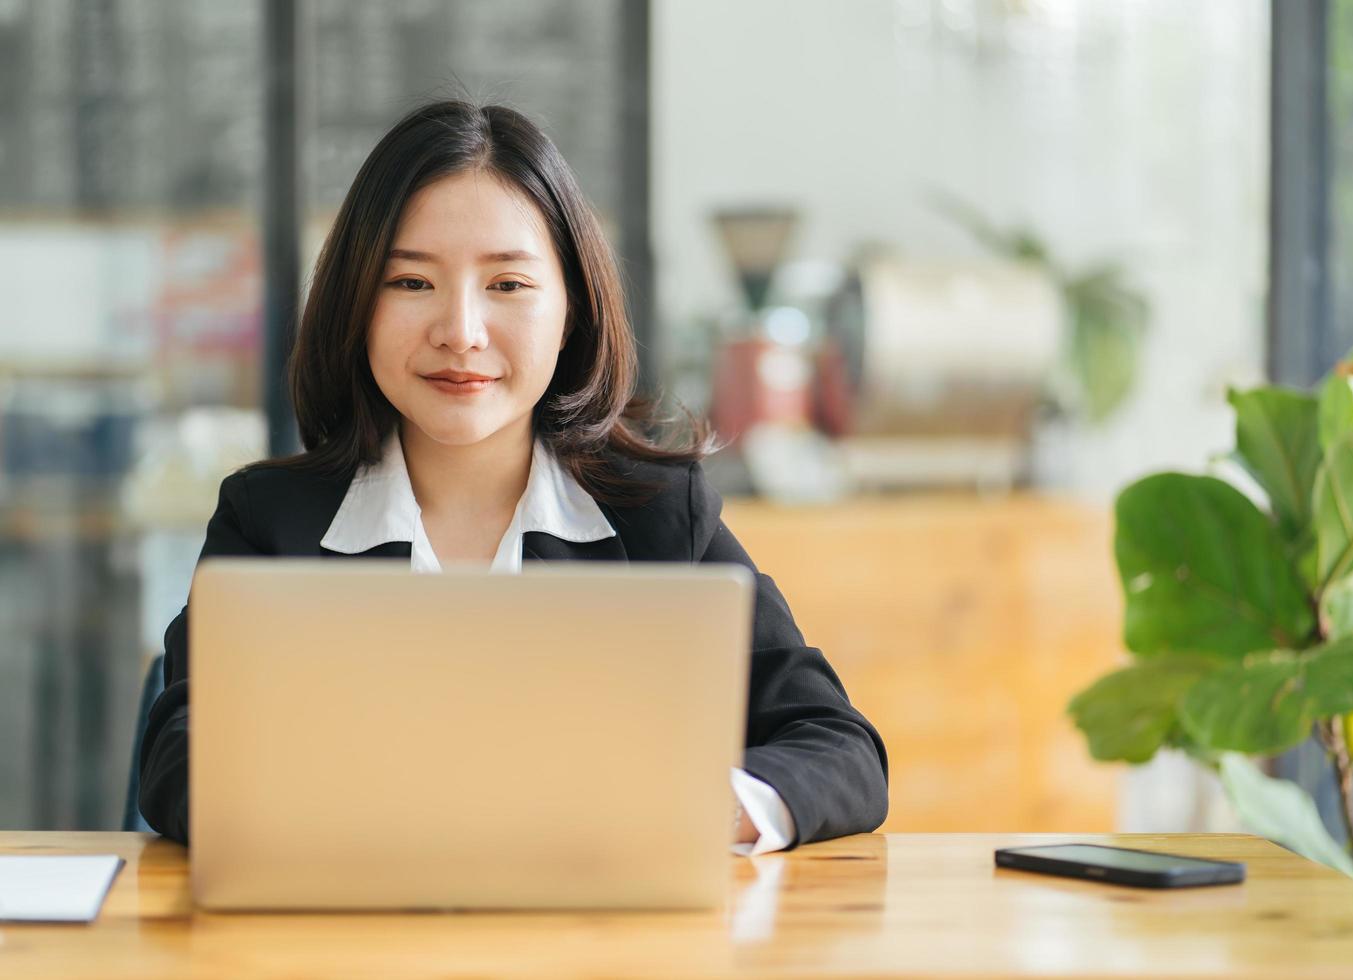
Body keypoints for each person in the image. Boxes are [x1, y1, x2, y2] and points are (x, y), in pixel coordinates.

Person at [138, 101, 888, 853]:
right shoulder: (270, 520)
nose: (460, 331)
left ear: (571, 312)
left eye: (507, 285)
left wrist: (701, 808)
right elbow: (178, 754)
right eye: (410, 283)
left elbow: (837, 746)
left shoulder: (656, 516)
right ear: (356, 306)